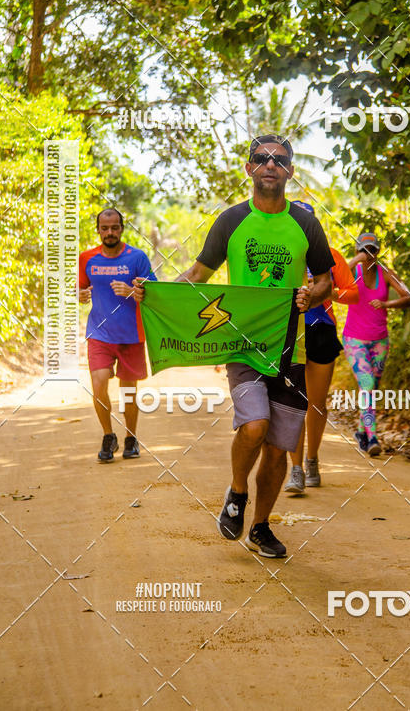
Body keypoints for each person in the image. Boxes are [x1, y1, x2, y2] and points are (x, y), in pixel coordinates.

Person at [135, 136, 333, 558]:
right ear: (249, 169)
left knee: (279, 447)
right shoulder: (230, 221)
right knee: (255, 426)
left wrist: (310, 296)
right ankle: (237, 490)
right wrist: (155, 292)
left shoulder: (305, 223)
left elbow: (326, 280)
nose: (270, 165)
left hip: (290, 347)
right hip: (242, 345)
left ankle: (261, 528)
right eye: (261, 159)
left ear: (290, 171)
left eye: (279, 160)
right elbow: (198, 274)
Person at [284, 201, 358, 494]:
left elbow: (353, 295)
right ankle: (296, 469)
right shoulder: (282, 253)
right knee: (293, 403)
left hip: (322, 331)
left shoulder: (331, 256)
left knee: (316, 402)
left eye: (306, 222)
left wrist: (325, 289)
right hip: (291, 332)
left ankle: (312, 459)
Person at [78, 208, 156, 462]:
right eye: (105, 228)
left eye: (114, 227)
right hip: (99, 333)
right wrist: (79, 296)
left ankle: (131, 438)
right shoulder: (87, 258)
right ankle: (108, 436)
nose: (109, 232)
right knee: (99, 383)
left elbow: (154, 291)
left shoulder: (137, 258)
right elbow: (79, 290)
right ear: (98, 230)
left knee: (128, 391)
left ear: (122, 228)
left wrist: (132, 292)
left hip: (131, 335)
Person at [343, 232, 410, 456]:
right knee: (366, 383)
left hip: (380, 340)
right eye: (364, 250)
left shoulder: (386, 272)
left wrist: (387, 303)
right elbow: (335, 278)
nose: (368, 254)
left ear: (378, 251)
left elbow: (409, 296)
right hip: (354, 339)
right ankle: (372, 439)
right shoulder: (353, 270)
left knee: (372, 387)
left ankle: (361, 431)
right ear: (357, 251)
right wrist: (356, 260)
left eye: (372, 250)